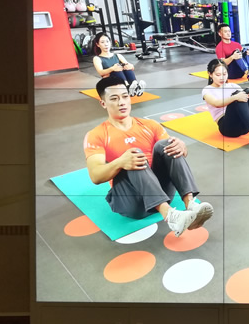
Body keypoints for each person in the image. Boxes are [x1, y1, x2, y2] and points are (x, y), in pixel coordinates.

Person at [84, 77, 213, 237]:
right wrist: (120, 162)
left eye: (125, 96)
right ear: (103, 103)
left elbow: (175, 156)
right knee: (133, 154)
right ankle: (171, 216)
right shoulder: (97, 135)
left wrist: (181, 146)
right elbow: (95, 176)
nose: (121, 102)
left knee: (167, 144)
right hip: (132, 203)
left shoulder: (149, 125)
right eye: (114, 99)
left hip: (162, 193)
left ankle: (191, 205)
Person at [201, 59, 249, 144]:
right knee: (238, 96)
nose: (222, 78)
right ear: (210, 74)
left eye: (224, 74)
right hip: (228, 128)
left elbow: (246, 97)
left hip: (245, 126)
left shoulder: (232, 86)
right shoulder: (207, 90)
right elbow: (216, 103)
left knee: (248, 91)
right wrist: (235, 97)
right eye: (218, 75)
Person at [91, 33, 146, 97]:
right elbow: (101, 72)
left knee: (126, 68)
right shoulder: (97, 58)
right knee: (117, 70)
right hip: (109, 79)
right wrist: (113, 68)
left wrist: (129, 66)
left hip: (120, 78)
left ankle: (135, 86)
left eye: (107, 41)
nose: (106, 44)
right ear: (98, 44)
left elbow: (131, 67)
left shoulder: (118, 55)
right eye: (102, 42)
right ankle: (128, 87)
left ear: (110, 43)